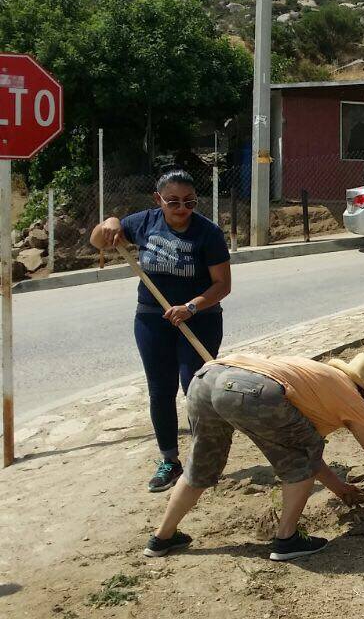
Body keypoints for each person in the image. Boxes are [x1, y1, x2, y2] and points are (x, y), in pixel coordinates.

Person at [141, 352, 364, 561]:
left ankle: (161, 539)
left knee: (200, 467)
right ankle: (286, 540)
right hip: (250, 389)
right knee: (301, 456)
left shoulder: (313, 379)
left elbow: (307, 450)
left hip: (206, 378)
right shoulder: (350, 398)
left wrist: (341, 489)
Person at [91, 169, 231, 493]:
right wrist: (110, 222)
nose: (181, 208)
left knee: (194, 388)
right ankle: (169, 460)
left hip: (199, 319)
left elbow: (223, 284)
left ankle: (204, 457)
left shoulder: (208, 233)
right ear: (158, 200)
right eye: (173, 202)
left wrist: (191, 307)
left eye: (189, 202)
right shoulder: (145, 222)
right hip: (152, 319)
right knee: (160, 390)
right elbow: (98, 240)